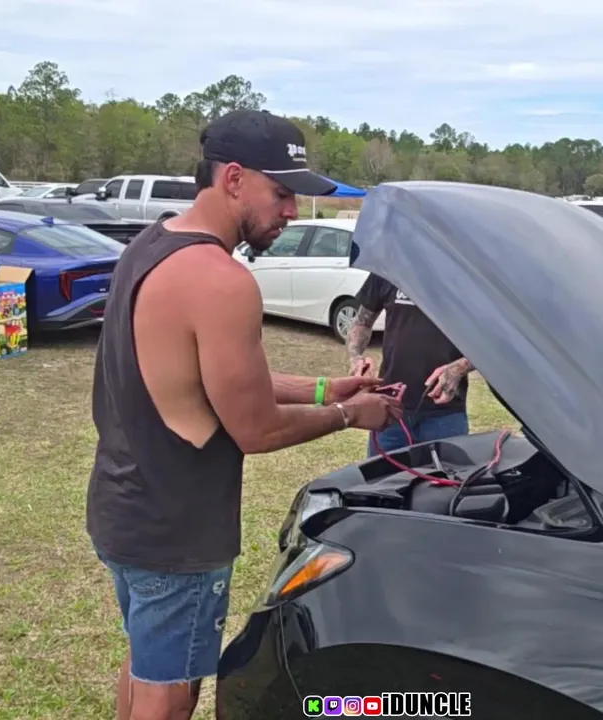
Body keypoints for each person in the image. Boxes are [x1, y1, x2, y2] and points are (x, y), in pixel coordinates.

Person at [85, 109, 400, 720]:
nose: (292, 211)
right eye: (281, 193)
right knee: (170, 694)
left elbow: (207, 379)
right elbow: (254, 427)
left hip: (123, 509)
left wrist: (324, 390)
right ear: (233, 179)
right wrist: (351, 415)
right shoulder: (221, 280)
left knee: (148, 665)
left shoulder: (152, 245)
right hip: (176, 530)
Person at [346, 273, 474, 455]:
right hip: (390, 407)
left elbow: (493, 339)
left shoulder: (465, 273)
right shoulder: (388, 268)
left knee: (448, 473)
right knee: (380, 473)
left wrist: (460, 368)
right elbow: (362, 323)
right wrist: (355, 357)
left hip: (445, 413)